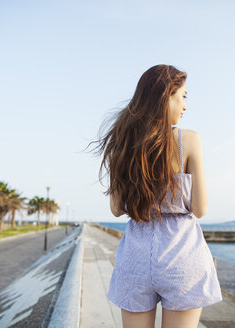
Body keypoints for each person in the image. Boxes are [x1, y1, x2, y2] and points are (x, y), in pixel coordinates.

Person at [92, 64, 222, 328]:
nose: (185, 105)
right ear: (166, 96)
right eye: (182, 96)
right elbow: (200, 208)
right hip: (181, 255)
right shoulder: (189, 140)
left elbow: (116, 209)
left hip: (136, 257)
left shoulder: (124, 143)